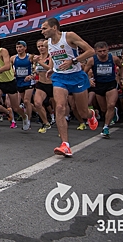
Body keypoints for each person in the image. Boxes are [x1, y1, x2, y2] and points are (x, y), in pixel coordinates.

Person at [41, 18, 98, 157]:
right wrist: (53, 69)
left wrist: (73, 60)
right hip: (60, 77)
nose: (42, 31)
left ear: (54, 28)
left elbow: (91, 51)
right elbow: (54, 58)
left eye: (44, 28)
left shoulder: (69, 36)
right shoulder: (47, 42)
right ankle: (65, 145)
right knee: (60, 107)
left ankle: (91, 115)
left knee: (83, 112)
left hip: (76, 76)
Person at [0, 34, 29, 133]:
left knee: (15, 107)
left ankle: (25, 117)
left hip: (10, 82)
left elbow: (7, 66)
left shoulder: (3, 51)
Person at [83, 41, 123, 138]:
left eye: (104, 51)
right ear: (96, 51)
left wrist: (121, 78)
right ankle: (113, 112)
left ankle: (106, 128)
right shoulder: (92, 60)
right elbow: (84, 73)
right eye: (100, 51)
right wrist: (89, 80)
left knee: (111, 104)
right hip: (99, 85)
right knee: (104, 109)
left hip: (111, 84)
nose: (102, 53)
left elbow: (121, 67)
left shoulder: (113, 58)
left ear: (108, 50)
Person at [11, 40, 35, 129]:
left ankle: (28, 121)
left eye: (21, 47)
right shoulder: (13, 58)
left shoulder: (30, 57)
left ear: (25, 48)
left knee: (26, 101)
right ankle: (27, 116)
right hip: (19, 81)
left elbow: (36, 68)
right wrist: (12, 72)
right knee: (21, 103)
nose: (19, 49)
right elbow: (9, 67)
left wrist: (31, 76)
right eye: (17, 47)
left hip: (28, 81)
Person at [32, 39, 54, 133]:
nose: (41, 48)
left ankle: (63, 125)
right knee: (37, 103)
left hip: (53, 84)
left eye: (42, 46)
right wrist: (31, 76)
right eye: (39, 46)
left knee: (59, 107)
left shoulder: (51, 56)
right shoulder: (37, 58)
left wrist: (39, 62)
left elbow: (50, 68)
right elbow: (36, 71)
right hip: (41, 84)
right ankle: (46, 123)